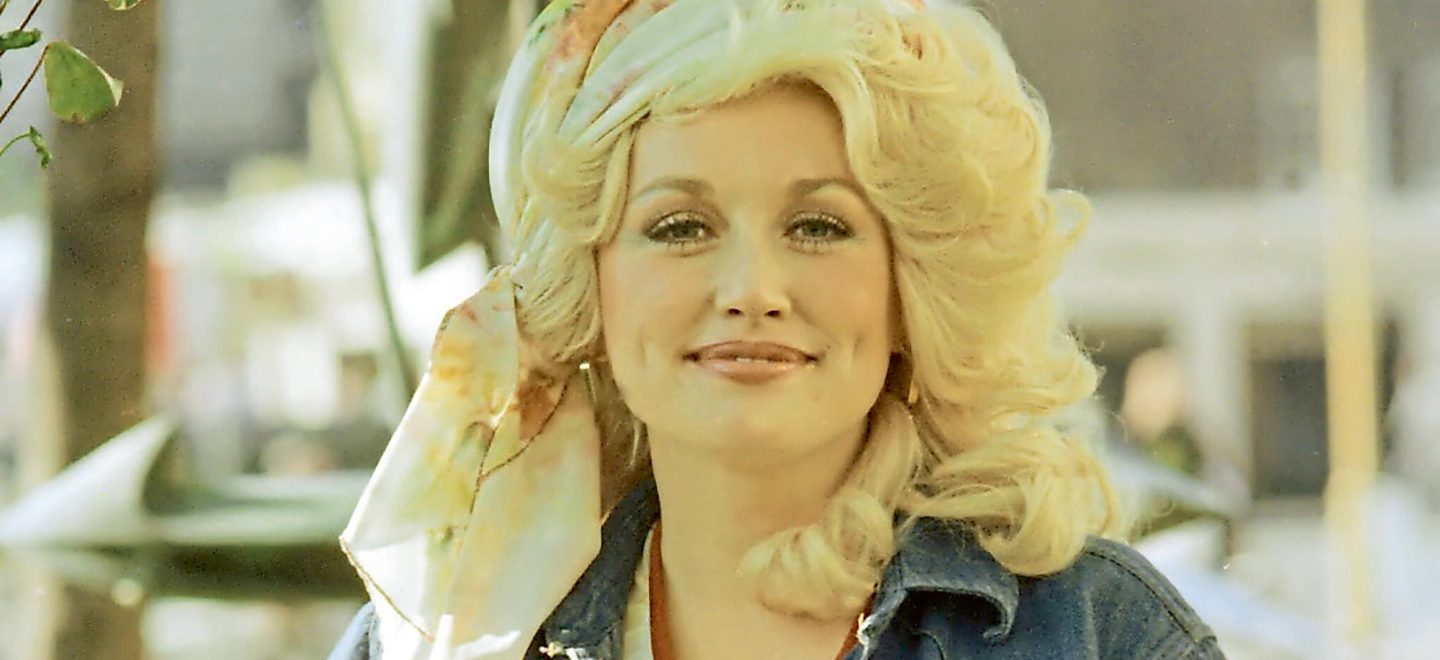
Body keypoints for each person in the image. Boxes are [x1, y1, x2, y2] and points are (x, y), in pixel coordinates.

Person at [329, 1, 1225, 658]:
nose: (752, 290)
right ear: (591, 286)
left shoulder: (1099, 633)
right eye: (680, 226)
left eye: (819, 226)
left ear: (910, 290)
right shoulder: (425, 639)